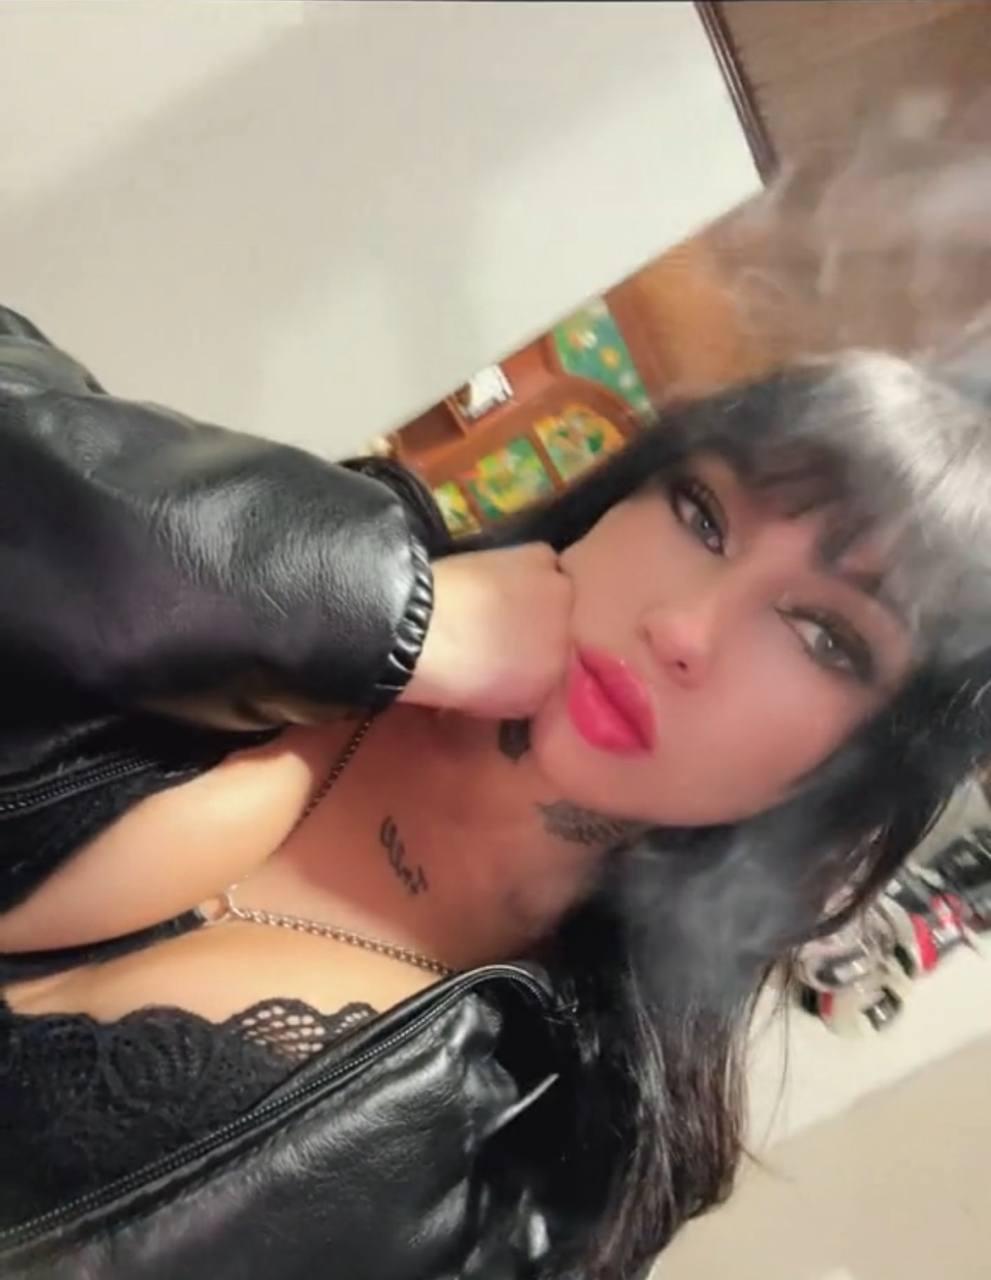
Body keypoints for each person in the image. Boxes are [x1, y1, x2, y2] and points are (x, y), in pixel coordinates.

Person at [1, 298, 991, 1280]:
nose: (683, 629)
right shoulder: (312, 572)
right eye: (700, 513)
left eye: (823, 635)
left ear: (858, 775)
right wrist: (388, 611)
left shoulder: (541, 1168)